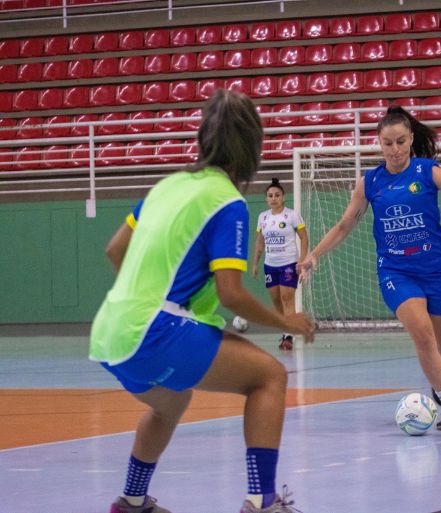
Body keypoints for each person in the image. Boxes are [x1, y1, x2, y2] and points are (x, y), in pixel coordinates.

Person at [89, 89, 313, 513]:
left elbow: (115, 250)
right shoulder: (228, 202)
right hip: (157, 330)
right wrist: (289, 322)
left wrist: (144, 301)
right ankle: (263, 501)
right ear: (252, 147)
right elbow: (231, 292)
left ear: (204, 139)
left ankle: (133, 500)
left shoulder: (169, 185)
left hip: (110, 331)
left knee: (172, 401)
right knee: (269, 377)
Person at [298, 105, 441, 430]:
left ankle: (436, 384)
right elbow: (344, 225)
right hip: (396, 271)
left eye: (400, 142)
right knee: (422, 334)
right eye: (388, 143)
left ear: (411, 139)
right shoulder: (369, 182)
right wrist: (313, 255)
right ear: (379, 143)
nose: (394, 149)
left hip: (436, 270)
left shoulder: (429, 171)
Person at [238, 178, 308, 351]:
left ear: (283, 197)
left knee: (286, 297)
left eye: (277, 195)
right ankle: (286, 328)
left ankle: (288, 336)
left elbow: (304, 237)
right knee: (276, 300)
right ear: (266, 199)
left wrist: (302, 260)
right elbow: (259, 242)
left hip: (289, 263)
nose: (273, 198)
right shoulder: (263, 217)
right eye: (270, 196)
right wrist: (255, 264)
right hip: (270, 265)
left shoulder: (292, 215)